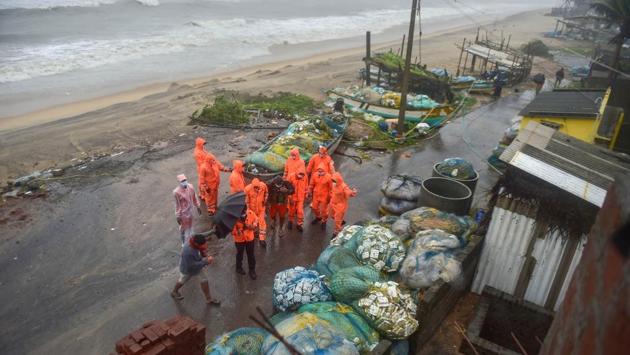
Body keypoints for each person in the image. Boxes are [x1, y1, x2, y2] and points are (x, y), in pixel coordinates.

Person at [171, 234, 220, 305]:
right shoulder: (188, 252)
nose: (204, 246)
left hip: (197, 267)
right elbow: (191, 265)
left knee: (204, 280)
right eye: (202, 245)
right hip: (187, 269)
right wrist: (206, 261)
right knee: (182, 281)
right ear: (197, 244)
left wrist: (205, 255)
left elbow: (200, 251)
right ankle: (174, 291)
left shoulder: (194, 242)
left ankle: (208, 299)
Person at [173, 174, 202, 245]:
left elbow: (194, 197)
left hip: (191, 210)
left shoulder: (190, 187)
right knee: (184, 228)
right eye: (182, 181)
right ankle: (184, 242)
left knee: (191, 226)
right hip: (183, 213)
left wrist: (198, 206)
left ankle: (191, 240)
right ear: (179, 182)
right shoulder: (176, 192)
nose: (184, 182)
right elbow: (177, 205)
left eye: (185, 180)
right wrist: (178, 216)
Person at [232, 208, 258, 280]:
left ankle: (252, 270)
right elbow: (232, 231)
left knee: (251, 255)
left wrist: (253, 226)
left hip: (250, 238)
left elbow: (256, 220)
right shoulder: (233, 217)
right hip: (239, 240)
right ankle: (238, 268)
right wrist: (238, 231)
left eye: (244, 211)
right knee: (239, 254)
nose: (244, 213)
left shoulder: (250, 213)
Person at [329, 172, 357, 236]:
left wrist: (353, 192)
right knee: (332, 215)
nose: (333, 182)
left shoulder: (344, 187)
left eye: (334, 181)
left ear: (338, 180)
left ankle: (336, 231)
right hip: (333, 203)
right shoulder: (334, 185)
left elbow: (349, 193)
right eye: (332, 180)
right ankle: (341, 222)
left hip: (340, 205)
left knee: (337, 220)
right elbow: (332, 192)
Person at [245, 178, 268, 247]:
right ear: (252, 186)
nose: (257, 189)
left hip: (261, 209)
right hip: (252, 211)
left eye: (258, 187)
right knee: (253, 223)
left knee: (262, 223)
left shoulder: (263, 186)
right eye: (255, 188)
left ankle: (262, 239)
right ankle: (254, 233)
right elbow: (247, 202)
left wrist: (266, 199)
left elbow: (267, 193)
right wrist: (248, 211)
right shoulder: (247, 189)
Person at [308, 164, 333, 230]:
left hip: (324, 196)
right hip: (316, 195)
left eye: (321, 171)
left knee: (324, 211)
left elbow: (331, 188)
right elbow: (311, 184)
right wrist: (310, 191)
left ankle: (324, 221)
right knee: (314, 207)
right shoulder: (315, 175)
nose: (320, 173)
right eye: (319, 171)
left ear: (325, 171)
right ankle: (318, 217)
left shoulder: (329, 177)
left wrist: (330, 197)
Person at [287, 167, 309, 232]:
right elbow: (287, 188)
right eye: (300, 175)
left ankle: (299, 224)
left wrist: (306, 194)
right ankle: (290, 221)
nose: (301, 177)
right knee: (291, 210)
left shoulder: (305, 177)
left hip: (300, 198)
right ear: (297, 173)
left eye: (302, 175)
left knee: (300, 211)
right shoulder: (291, 176)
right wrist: (290, 197)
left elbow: (306, 186)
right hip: (292, 198)